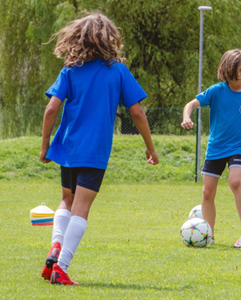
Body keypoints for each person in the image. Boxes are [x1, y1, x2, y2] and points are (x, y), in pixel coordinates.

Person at [38, 13, 158, 285]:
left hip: (67, 148)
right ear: (109, 39)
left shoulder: (69, 69)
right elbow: (137, 112)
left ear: (78, 37)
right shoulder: (118, 71)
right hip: (94, 152)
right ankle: (62, 267)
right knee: (81, 208)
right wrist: (150, 147)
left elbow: (50, 110)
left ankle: (56, 245)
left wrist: (45, 146)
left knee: (66, 201)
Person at [181, 49, 241, 248]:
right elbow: (190, 104)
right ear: (227, 70)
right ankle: (208, 234)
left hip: (238, 147)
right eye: (237, 69)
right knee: (207, 192)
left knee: (235, 182)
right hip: (216, 147)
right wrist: (186, 117)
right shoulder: (216, 91)